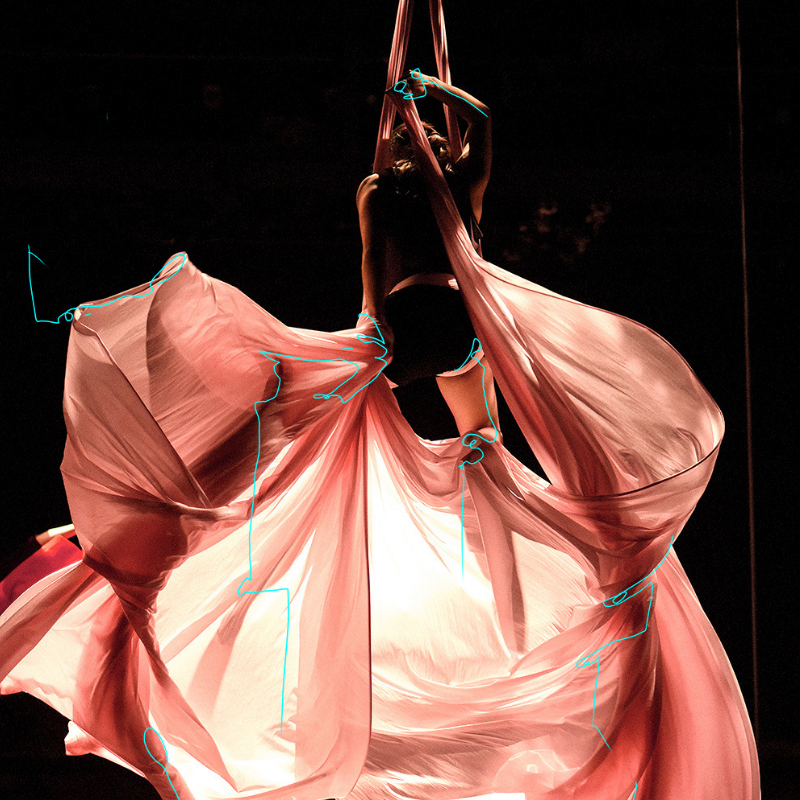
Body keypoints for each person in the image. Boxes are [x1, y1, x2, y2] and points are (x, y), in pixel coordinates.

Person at [0, 60, 758, 800]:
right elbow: (387, 247)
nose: (414, 140)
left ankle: (477, 550)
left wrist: (420, 95)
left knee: (473, 451)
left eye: (415, 133)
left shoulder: (437, 182)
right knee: (412, 446)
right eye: (408, 133)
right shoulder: (419, 186)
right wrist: (370, 333)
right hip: (427, 330)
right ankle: (198, 528)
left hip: (433, 330)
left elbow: (464, 149)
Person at [357, 70, 499, 444]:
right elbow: (480, 117)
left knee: (346, 414)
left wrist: (373, 319)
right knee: (483, 432)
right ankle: (477, 466)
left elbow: (372, 254)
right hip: (460, 323)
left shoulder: (377, 186)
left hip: (404, 320)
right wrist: (431, 86)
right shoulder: (465, 183)